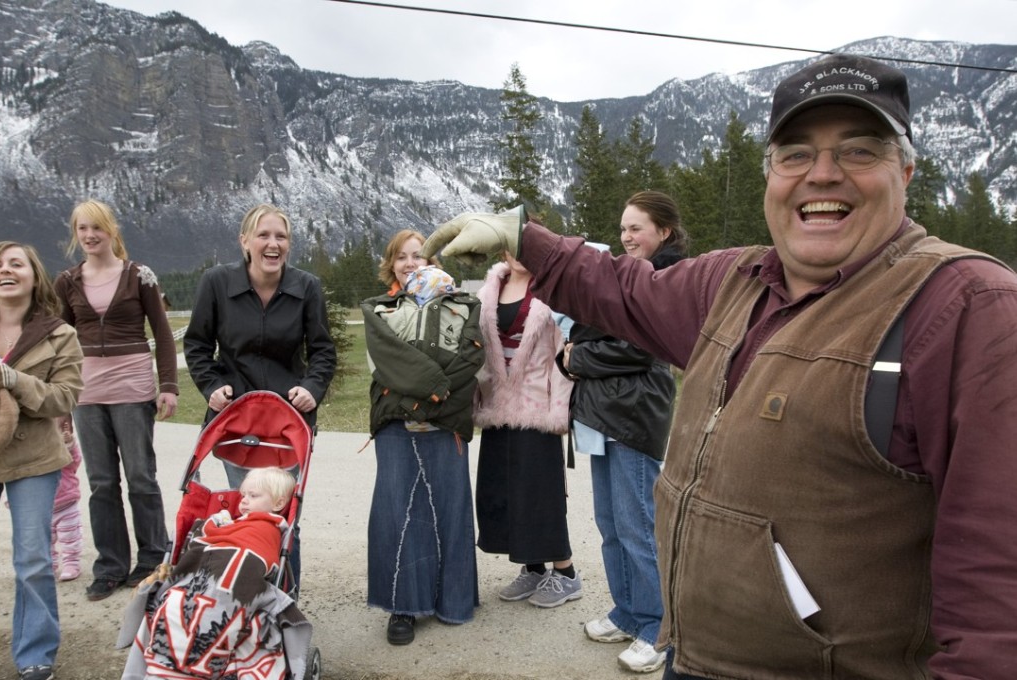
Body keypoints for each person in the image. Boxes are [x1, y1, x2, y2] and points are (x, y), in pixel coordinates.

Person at [422, 54, 1017, 679]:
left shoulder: (966, 307)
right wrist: (524, 238)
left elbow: (998, 588)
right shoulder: (734, 280)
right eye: (794, 154)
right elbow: (622, 290)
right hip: (695, 659)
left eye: (859, 151)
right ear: (771, 174)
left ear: (908, 169)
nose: (821, 175)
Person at [559, 191, 683, 673]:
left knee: (639, 528)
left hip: (633, 416)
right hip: (603, 414)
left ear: (664, 232)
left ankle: (657, 629)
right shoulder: (623, 278)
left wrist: (576, 359)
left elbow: (639, 347)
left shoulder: (665, 278)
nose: (627, 237)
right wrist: (568, 356)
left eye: (638, 228)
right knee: (611, 524)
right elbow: (581, 335)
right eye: (624, 228)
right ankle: (628, 611)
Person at [184, 203, 336, 589]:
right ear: (245, 241)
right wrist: (211, 385)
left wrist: (313, 388)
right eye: (264, 235)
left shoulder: (306, 287)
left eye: (281, 236)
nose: (273, 244)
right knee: (248, 512)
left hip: (288, 424)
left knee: (285, 518)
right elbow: (198, 345)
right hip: (237, 424)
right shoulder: (217, 283)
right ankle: (245, 600)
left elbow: (322, 350)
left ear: (289, 244)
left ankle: (286, 602)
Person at [361, 232, 484, 646]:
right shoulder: (380, 310)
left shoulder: (464, 305)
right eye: (402, 257)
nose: (410, 263)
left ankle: (454, 600)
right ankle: (403, 607)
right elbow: (387, 364)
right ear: (391, 264)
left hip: (445, 421)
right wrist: (432, 390)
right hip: (397, 423)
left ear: (432, 261)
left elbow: (469, 359)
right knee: (399, 511)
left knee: (449, 509)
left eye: (419, 256)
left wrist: (430, 398)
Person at [54, 199, 179, 602]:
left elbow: (161, 333)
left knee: (141, 478)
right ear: (76, 234)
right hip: (86, 393)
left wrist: (168, 385)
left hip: (133, 389)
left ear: (112, 231)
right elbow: (60, 343)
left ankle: (152, 559)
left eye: (98, 228)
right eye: (82, 229)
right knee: (102, 482)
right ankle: (109, 567)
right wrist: (61, 398)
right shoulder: (67, 282)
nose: (90, 235)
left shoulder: (138, 276)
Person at [119, 466, 312, 680]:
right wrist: (218, 525)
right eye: (243, 495)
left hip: (234, 580)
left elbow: (249, 555)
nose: (244, 501)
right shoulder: (237, 523)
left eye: (253, 496)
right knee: (172, 605)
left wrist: (215, 525)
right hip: (206, 574)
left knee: (204, 611)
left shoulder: (269, 528)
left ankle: (182, 665)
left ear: (278, 503)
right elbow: (208, 542)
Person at [472, 251, 579, 608]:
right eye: (511, 246)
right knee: (504, 488)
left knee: (540, 490)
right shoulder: (490, 288)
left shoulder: (551, 288)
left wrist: (558, 409)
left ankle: (565, 573)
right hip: (499, 404)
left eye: (525, 246)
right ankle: (532, 568)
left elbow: (563, 351)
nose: (518, 255)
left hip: (538, 404)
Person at [0, 241, 84, 680]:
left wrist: (13, 379)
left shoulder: (59, 334)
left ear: (34, 276)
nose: (5, 270)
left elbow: (64, 398)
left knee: (32, 557)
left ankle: (35, 654)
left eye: (16, 264)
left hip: (34, 458)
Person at [51, 417, 84, 582]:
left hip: (66, 504)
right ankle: (49, 565)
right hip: (43, 507)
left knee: (70, 538)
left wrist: (69, 444)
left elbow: (75, 461)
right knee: (44, 540)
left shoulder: (64, 447)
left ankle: (71, 563)